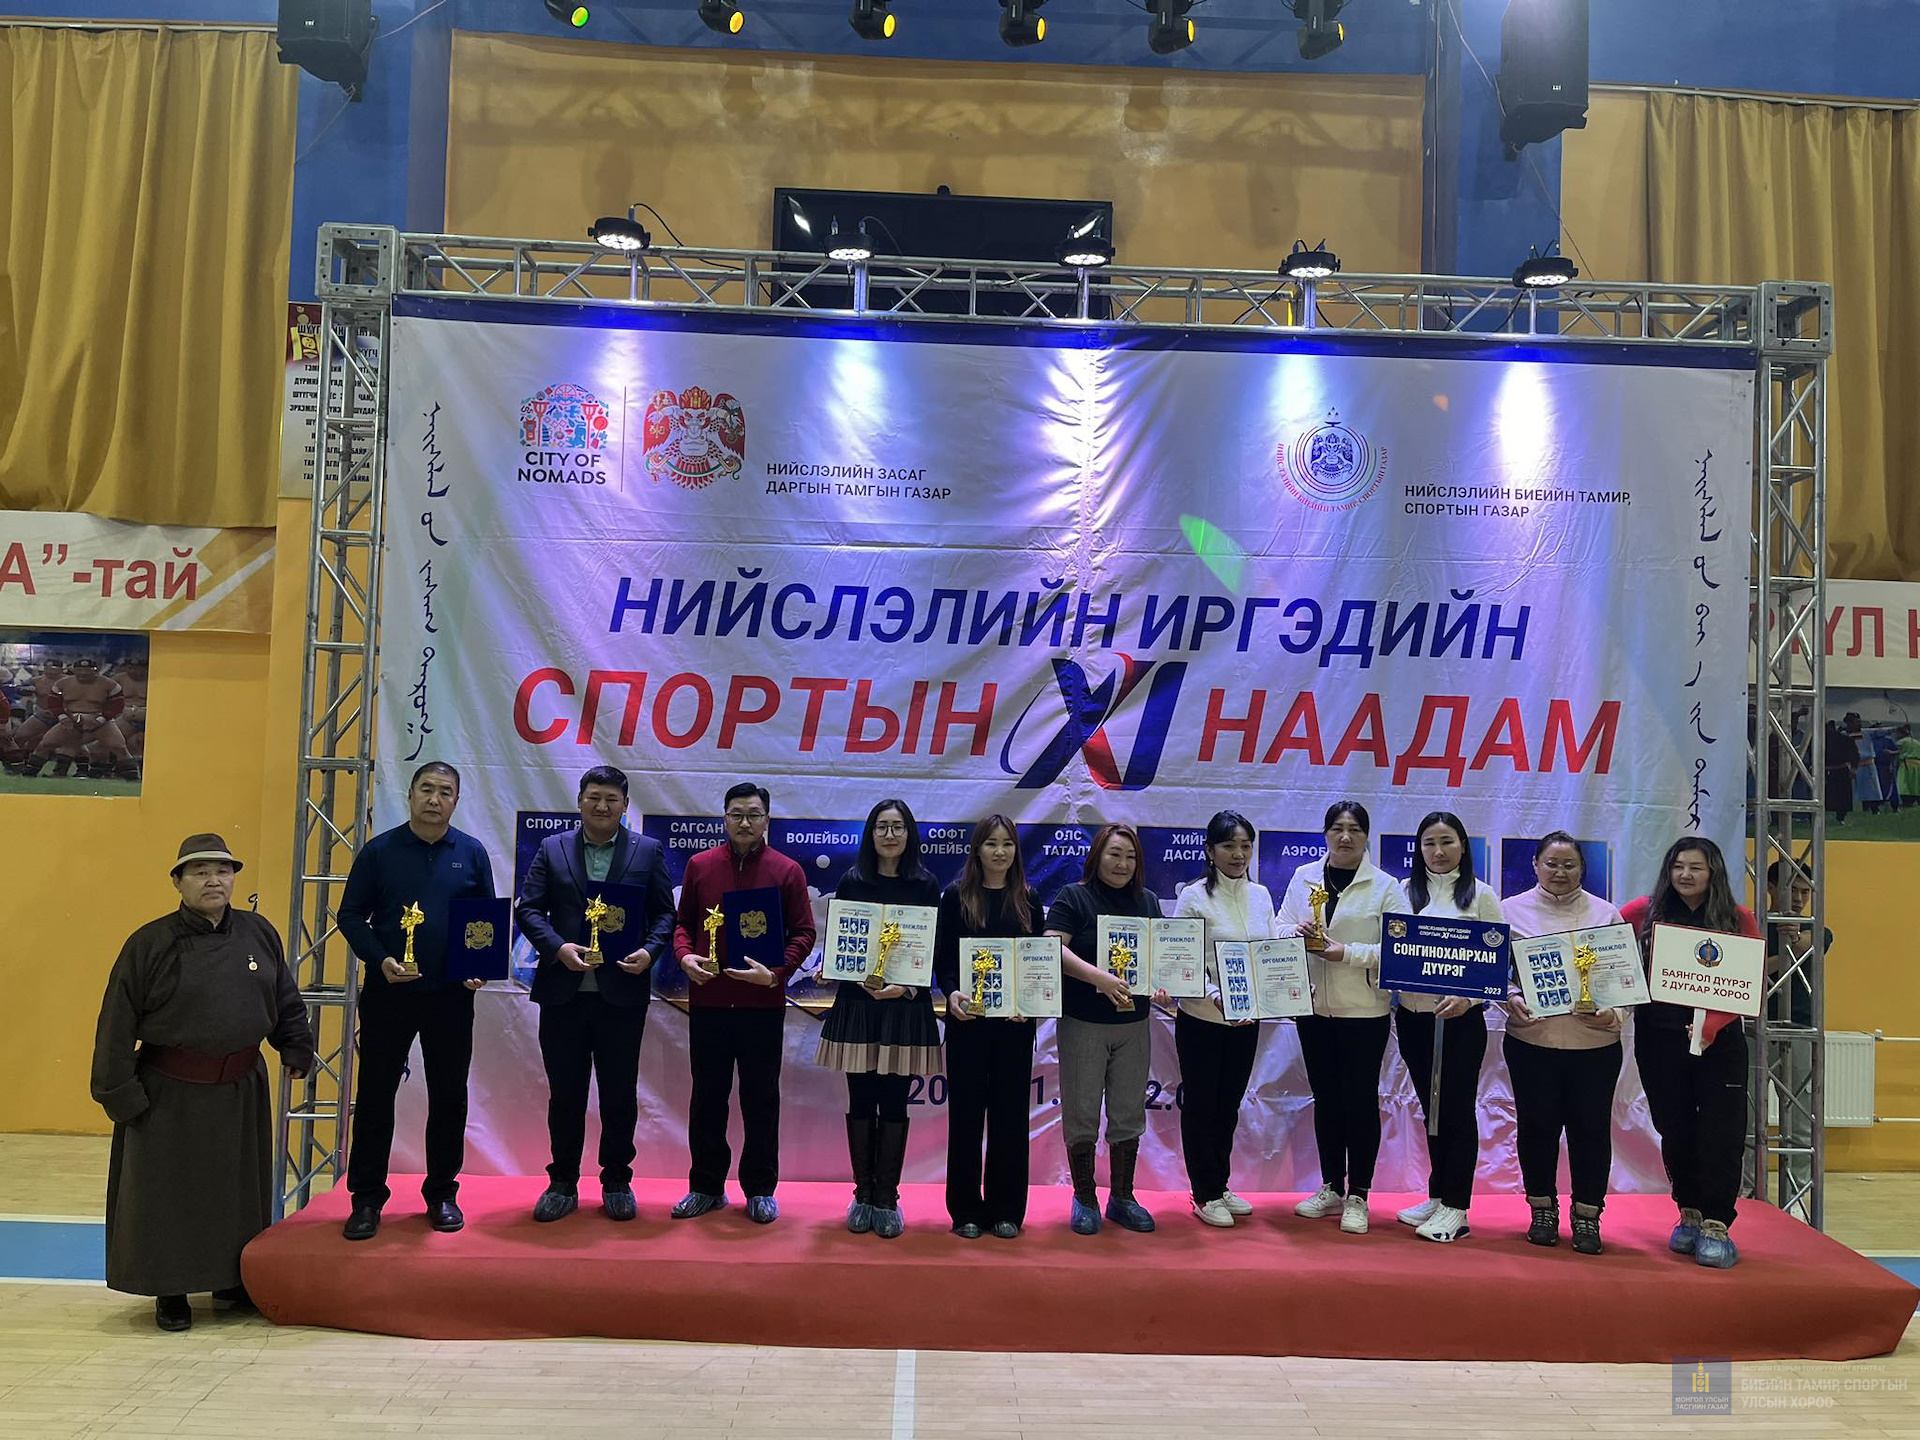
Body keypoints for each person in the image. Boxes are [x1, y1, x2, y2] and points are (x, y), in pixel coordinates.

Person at [90, 834, 315, 1331]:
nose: (214, 880)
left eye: (223, 870)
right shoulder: (149, 944)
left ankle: (232, 1280)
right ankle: (170, 1290)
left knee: (236, 1192)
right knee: (168, 1195)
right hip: (170, 1093)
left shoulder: (258, 932)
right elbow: (116, 1024)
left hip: (241, 1089)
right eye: (200, 871)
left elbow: (283, 996)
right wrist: (119, 1094)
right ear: (177, 881)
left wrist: (296, 1044)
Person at [337, 761, 496, 1240]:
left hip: (451, 997)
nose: (434, 798)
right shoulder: (379, 851)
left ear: (456, 801)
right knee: (375, 1096)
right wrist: (380, 959)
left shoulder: (471, 853)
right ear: (409, 795)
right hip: (390, 993)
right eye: (426, 789)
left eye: (445, 791)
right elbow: (350, 915)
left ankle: (442, 1193)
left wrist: (478, 966)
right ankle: (366, 1199)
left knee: (449, 1096)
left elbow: (484, 923)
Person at [516, 765, 675, 1223]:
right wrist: (557, 948)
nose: (602, 806)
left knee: (619, 1094)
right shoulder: (553, 848)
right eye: (593, 797)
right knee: (565, 1094)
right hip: (563, 994)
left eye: (611, 798)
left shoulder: (647, 850)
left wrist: (649, 951)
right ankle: (562, 1181)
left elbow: (665, 913)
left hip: (621, 994)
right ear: (580, 801)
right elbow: (529, 909)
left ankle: (617, 1179)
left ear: (625, 805)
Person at [670, 782, 816, 1225]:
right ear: (724, 818)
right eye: (737, 814)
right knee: (707, 1098)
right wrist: (685, 956)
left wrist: (776, 973)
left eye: (754, 814)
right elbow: (682, 923)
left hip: (761, 1006)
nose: (745, 822)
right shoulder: (700, 866)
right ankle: (706, 1187)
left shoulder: (787, 870)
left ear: (767, 820)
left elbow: (804, 932)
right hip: (709, 1003)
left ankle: (760, 1189)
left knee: (761, 1099)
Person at [1619, 836, 1761, 1269]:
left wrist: (1711, 1024)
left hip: (1721, 1044)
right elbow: (1610, 956)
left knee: (1721, 1133)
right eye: (1678, 866)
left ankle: (1717, 1223)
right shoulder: (1642, 913)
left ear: (1713, 872)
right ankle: (1690, 1212)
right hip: (1658, 1040)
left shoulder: (1737, 918)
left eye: (1696, 867)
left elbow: (1748, 984)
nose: (1685, 875)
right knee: (1675, 1129)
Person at [816, 799, 944, 1239]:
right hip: (860, 1004)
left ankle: (888, 1197)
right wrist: (837, 968)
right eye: (882, 827)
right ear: (870, 834)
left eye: (898, 827)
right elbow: (844, 943)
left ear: (909, 834)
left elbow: (933, 950)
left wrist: (906, 987)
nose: (890, 835)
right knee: (860, 1099)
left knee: (893, 1101)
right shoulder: (853, 881)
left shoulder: (926, 885)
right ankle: (863, 1194)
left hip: (904, 1007)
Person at [1278, 800, 1404, 1237]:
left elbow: (1398, 950)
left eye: (1354, 829)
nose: (1345, 836)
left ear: (1366, 837)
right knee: (1326, 1099)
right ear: (1326, 834)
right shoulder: (1303, 876)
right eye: (1337, 828)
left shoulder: (1386, 886)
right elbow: (1279, 926)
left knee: (1360, 1102)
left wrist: (1345, 953)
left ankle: (1359, 1194)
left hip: (1364, 1012)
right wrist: (1293, 935)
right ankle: (1331, 1185)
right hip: (1313, 1008)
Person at [1501, 832, 1626, 1254]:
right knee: (1536, 1128)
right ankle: (1542, 1208)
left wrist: (1612, 1014)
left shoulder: (1606, 914)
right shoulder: (1509, 911)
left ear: (1582, 869)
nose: (1559, 872)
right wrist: (1510, 998)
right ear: (1535, 865)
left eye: (1569, 865)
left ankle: (1588, 1214)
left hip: (1594, 1045)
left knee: (1591, 1131)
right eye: (1551, 863)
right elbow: (1496, 974)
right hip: (1531, 1042)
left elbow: (1624, 980)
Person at [1046, 823, 1165, 1235]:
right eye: (1115, 854)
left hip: (1134, 1024)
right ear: (1097, 856)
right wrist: (1099, 977)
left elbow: (1160, 957)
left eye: (1131, 857)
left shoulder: (1148, 901)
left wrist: (1165, 984)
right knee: (1081, 1112)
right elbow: (1052, 948)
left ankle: (1122, 1197)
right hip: (1084, 1023)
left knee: (1128, 1113)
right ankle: (1084, 1196)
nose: (1122, 864)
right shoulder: (1073, 897)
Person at [1390, 810, 1503, 1244]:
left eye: (1447, 841)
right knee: (1431, 1108)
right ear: (1419, 849)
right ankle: (1437, 1195)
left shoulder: (1482, 895)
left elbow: (1497, 964)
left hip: (1461, 1024)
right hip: (1413, 1019)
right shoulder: (1403, 892)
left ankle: (1457, 1206)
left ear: (1463, 846)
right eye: (1429, 843)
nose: (1438, 851)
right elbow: (1392, 949)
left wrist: (1469, 998)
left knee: (1456, 1110)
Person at [935, 814, 1044, 1239]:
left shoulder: (1028, 899)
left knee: (1010, 1119)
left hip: (1014, 1028)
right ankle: (964, 1209)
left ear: (1016, 851)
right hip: (968, 1026)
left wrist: (1030, 1004)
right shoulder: (955, 897)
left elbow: (1037, 963)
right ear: (977, 849)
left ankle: (1006, 1210)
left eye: (1008, 844)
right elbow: (944, 961)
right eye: (991, 843)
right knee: (965, 1119)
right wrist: (951, 993)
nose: (1000, 852)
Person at [1171, 809, 1275, 1228]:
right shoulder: (1194, 897)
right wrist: (1213, 995)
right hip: (1202, 1019)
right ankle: (1204, 1191)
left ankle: (1221, 1182)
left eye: (1245, 846)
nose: (1238, 854)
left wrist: (1287, 987)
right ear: (1210, 851)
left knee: (1228, 1106)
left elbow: (1270, 955)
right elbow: (1183, 960)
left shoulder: (1262, 895)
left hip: (1247, 1022)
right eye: (1229, 846)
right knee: (1201, 1106)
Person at [1822, 719, 1854, 825]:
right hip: (1826, 770)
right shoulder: (1821, 740)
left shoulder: (1845, 739)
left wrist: (1854, 767)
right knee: (1825, 795)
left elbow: (1853, 754)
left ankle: (1841, 817)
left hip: (1841, 770)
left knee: (1842, 796)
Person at [1897, 724, 1920, 805]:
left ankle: (1907, 801)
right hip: (1918, 765)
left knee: (1904, 784)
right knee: (1916, 784)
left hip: (1906, 765)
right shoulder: (1917, 742)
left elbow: (1896, 752)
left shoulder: (1901, 742)